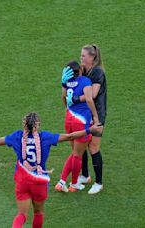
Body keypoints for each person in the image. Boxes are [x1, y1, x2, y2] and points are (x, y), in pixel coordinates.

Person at [0, 112, 102, 228]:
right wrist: (90, 130)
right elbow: (70, 136)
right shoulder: (46, 137)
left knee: (21, 215)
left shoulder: (17, 137)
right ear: (37, 126)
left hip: (22, 180)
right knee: (38, 212)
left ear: (24, 125)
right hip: (39, 182)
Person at [62, 44, 107, 194]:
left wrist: (75, 99)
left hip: (97, 113)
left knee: (93, 147)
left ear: (92, 57)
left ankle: (99, 183)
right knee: (82, 143)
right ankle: (85, 175)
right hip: (85, 114)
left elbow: (92, 95)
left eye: (83, 56)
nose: (81, 58)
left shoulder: (97, 73)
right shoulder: (83, 72)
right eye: (81, 55)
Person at [55, 61, 100, 193]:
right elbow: (89, 99)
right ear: (79, 70)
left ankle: (65, 182)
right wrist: (95, 117)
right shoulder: (85, 80)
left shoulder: (67, 84)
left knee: (75, 152)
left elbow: (64, 99)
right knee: (77, 154)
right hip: (80, 121)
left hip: (68, 119)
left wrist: (63, 84)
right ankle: (71, 184)